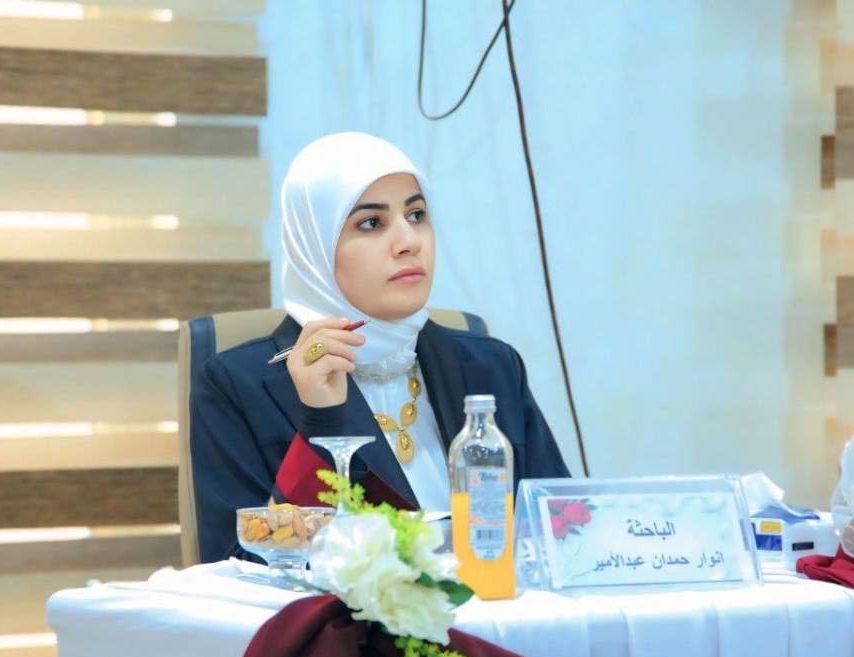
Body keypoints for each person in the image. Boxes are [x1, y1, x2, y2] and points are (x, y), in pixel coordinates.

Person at [189, 131, 569, 563]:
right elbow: (238, 570)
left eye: (417, 215)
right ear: (315, 245)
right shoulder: (238, 385)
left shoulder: (492, 367)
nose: (410, 241)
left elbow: (563, 532)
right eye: (371, 223)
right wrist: (320, 420)